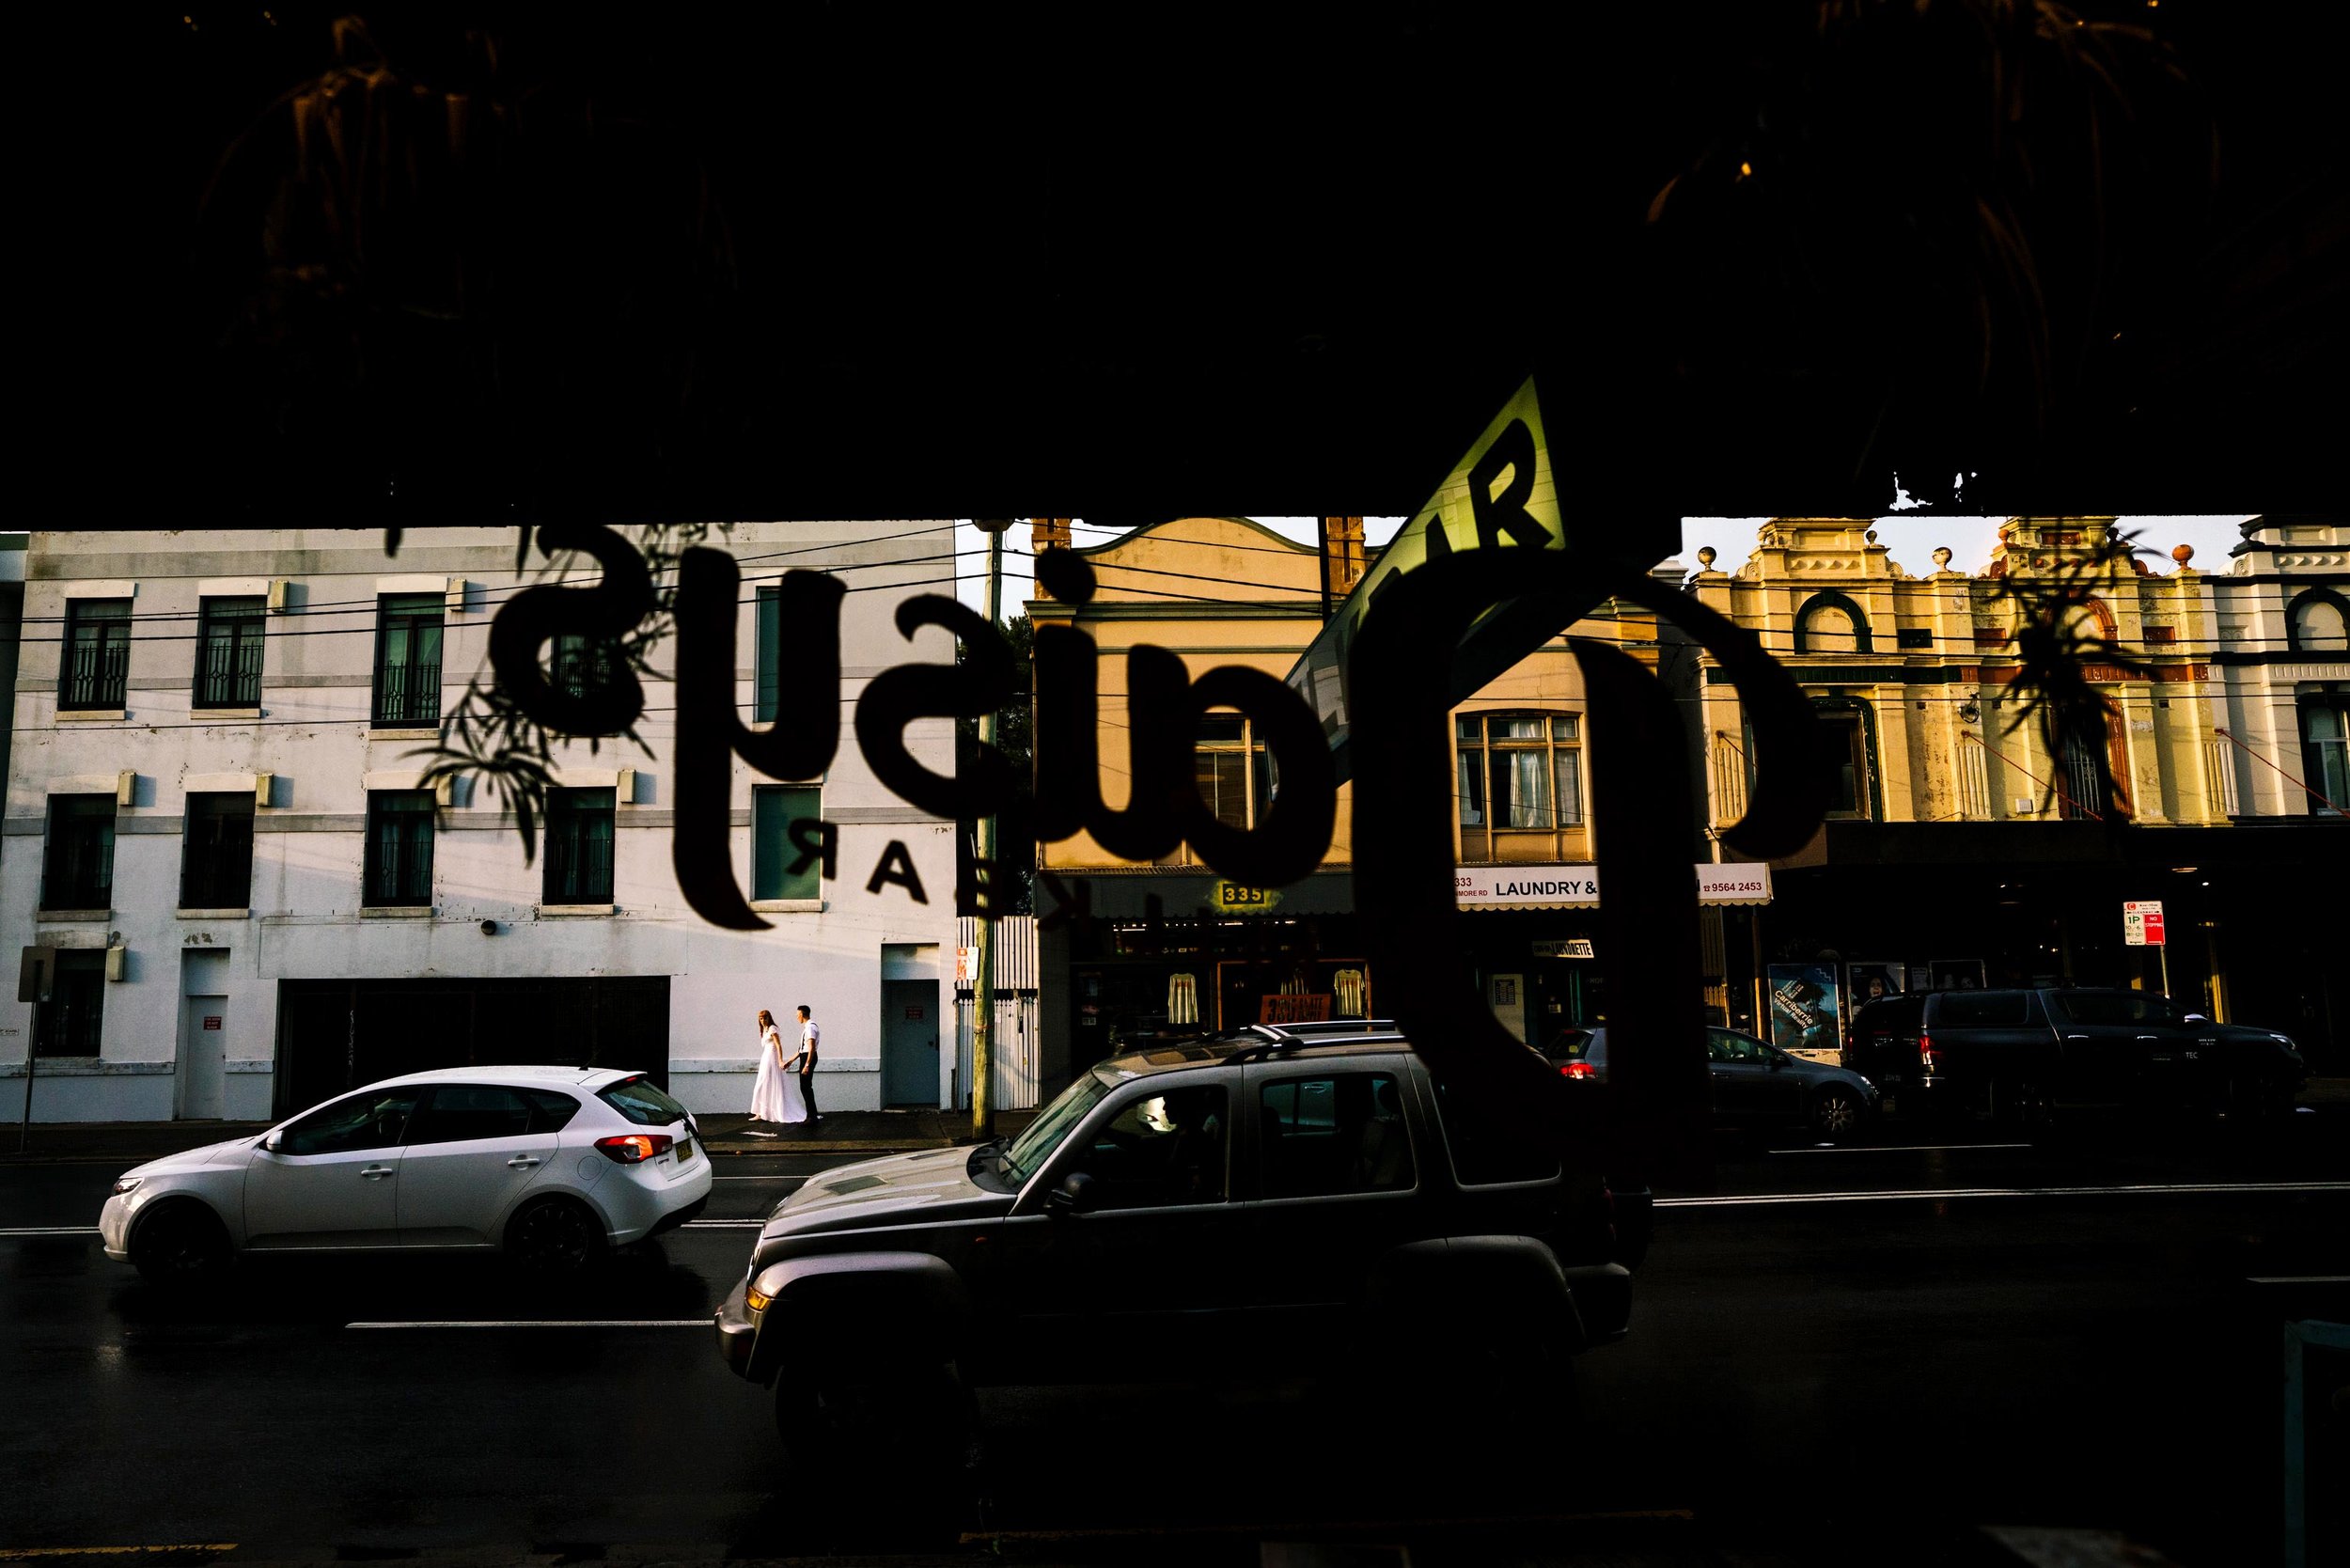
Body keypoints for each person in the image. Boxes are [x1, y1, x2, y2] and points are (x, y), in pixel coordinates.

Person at [750, 1009, 807, 1125]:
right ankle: (761, 1112)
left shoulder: (772, 1029)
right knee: (763, 1084)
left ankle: (767, 1111)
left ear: (769, 1018)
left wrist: (780, 1060)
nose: (763, 1020)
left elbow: (778, 1045)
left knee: (767, 1083)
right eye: (761, 1018)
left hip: (771, 1057)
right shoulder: (765, 1030)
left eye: (765, 1018)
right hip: (765, 1058)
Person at [792, 1004, 822, 1123]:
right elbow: (801, 1049)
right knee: (805, 1087)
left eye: (797, 1014)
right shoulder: (808, 1027)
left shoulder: (810, 1028)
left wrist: (807, 1064)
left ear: (802, 1014)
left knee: (805, 1087)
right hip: (805, 1056)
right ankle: (811, 1115)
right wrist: (790, 1061)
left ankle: (811, 1117)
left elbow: (811, 1047)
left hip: (808, 1058)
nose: (796, 1017)